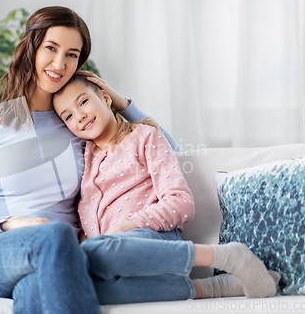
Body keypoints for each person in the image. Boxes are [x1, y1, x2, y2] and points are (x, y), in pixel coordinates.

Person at [0, 6, 169, 314]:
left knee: (34, 290)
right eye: (51, 48)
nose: (60, 63)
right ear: (32, 49)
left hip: (57, 259)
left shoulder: (79, 126)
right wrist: (8, 225)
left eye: (72, 54)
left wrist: (116, 99)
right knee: (54, 235)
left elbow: (165, 149)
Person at [52, 74, 281, 304]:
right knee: (82, 289)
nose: (79, 116)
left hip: (154, 242)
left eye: (83, 102)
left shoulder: (144, 136)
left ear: (105, 98)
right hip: (113, 264)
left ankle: (226, 256)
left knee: (98, 251)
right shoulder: (83, 158)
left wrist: (127, 226)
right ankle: (215, 287)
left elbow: (181, 202)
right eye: (68, 116)